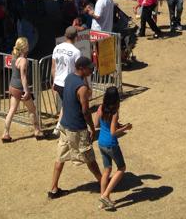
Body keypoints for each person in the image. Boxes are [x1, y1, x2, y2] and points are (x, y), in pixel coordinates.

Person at [49, 57, 103, 200]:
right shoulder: (82, 88)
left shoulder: (69, 78)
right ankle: (103, 182)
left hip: (65, 125)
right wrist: (92, 128)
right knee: (89, 157)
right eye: (89, 68)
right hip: (77, 128)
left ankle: (53, 189)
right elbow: (85, 111)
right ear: (82, 68)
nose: (92, 70)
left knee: (60, 158)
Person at [1, 36, 43, 142]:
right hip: (20, 88)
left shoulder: (14, 56)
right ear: (24, 47)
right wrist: (27, 91)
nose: (29, 46)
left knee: (11, 110)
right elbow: (23, 77)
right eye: (27, 45)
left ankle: (5, 133)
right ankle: (37, 131)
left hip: (12, 86)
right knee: (32, 110)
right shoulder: (23, 60)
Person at [95, 85, 130, 210]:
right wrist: (125, 128)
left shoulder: (100, 108)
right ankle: (105, 195)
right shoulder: (114, 112)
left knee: (107, 170)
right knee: (121, 168)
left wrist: (113, 124)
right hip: (111, 144)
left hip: (101, 143)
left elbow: (96, 124)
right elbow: (113, 132)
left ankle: (103, 200)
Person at [50, 26, 81, 135]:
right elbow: (79, 70)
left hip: (58, 82)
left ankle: (60, 127)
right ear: (76, 37)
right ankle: (60, 128)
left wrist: (53, 81)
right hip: (68, 84)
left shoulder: (57, 48)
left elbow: (53, 67)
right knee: (69, 106)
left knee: (65, 105)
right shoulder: (76, 52)